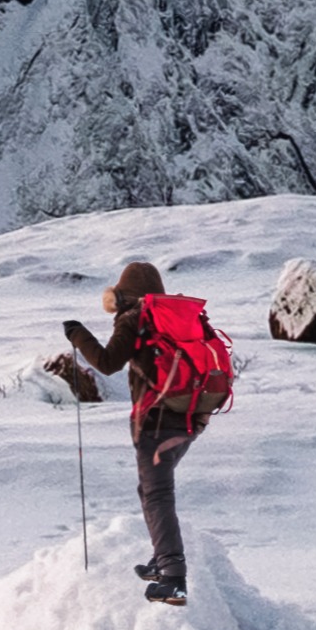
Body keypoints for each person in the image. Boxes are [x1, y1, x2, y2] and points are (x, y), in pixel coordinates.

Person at [35, 257, 231, 603]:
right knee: (150, 488)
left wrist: (78, 334)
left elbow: (107, 363)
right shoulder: (175, 319)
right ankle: (161, 559)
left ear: (122, 295)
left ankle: (173, 577)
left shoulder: (134, 318)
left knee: (157, 494)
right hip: (192, 416)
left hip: (157, 420)